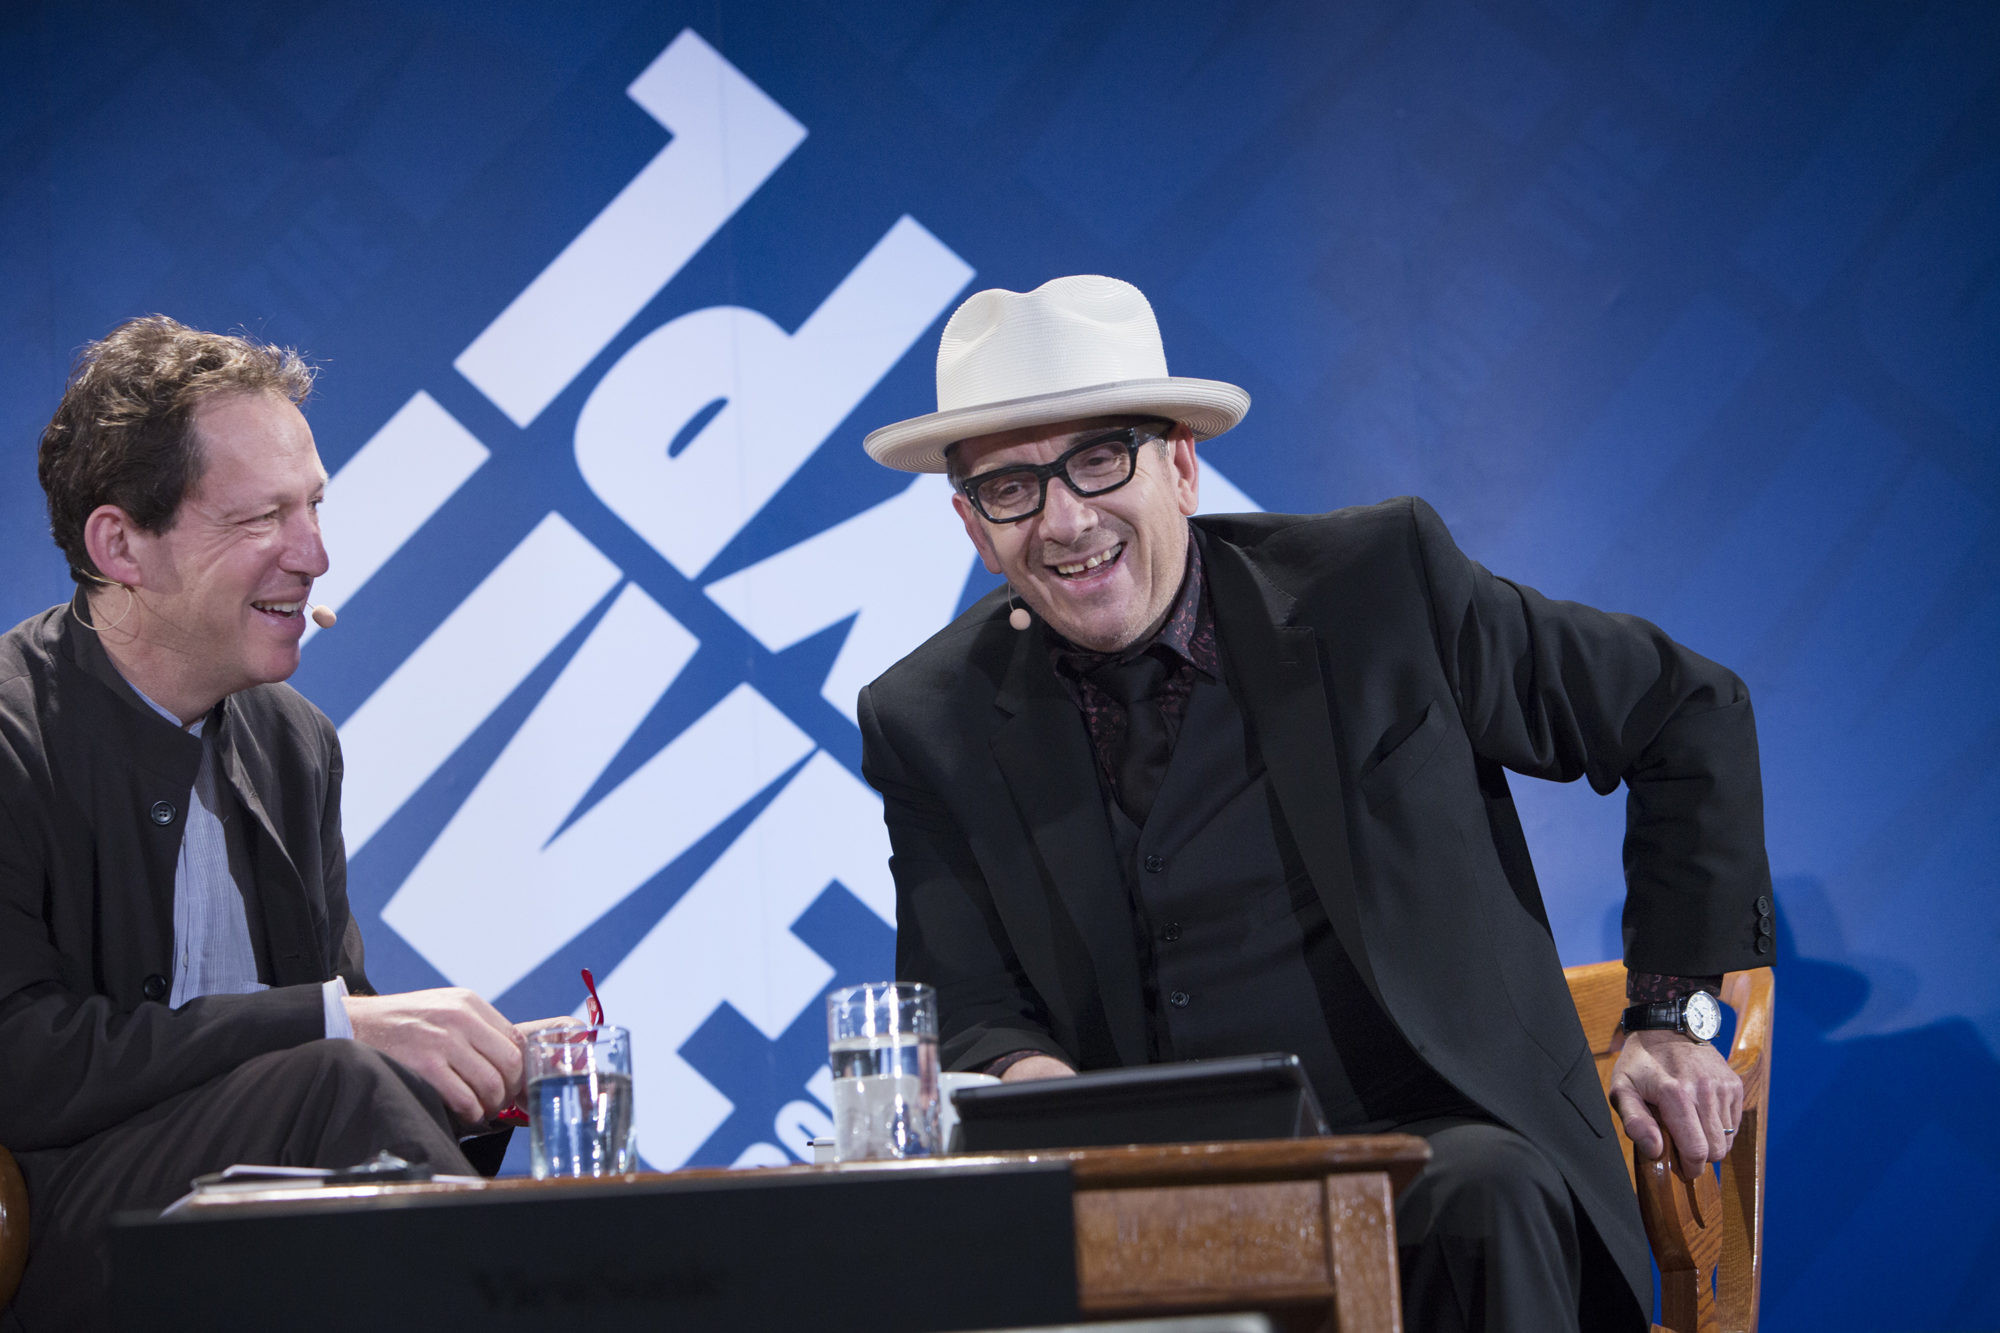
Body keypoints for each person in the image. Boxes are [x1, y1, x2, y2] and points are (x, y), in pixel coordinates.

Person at [856, 276, 1774, 1332]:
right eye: (1011, 489)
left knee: (1481, 1197)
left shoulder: (1377, 586)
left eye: (1098, 459)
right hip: (1158, 1214)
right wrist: (1047, 1101)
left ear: (1181, 464)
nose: (1064, 520)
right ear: (974, 527)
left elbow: (1681, 710)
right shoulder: (928, 719)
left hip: (1436, 1154)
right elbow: (967, 1006)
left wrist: (1670, 1014)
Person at [0, 316, 560, 1332]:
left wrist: (480, 1072)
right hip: (59, 1223)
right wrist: (338, 1028)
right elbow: (21, 1061)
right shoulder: (10, 734)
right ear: (120, 542)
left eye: (314, 505)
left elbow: (348, 1037)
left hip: (268, 1212)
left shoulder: (295, 742)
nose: (316, 554)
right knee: (335, 1079)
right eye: (262, 518)